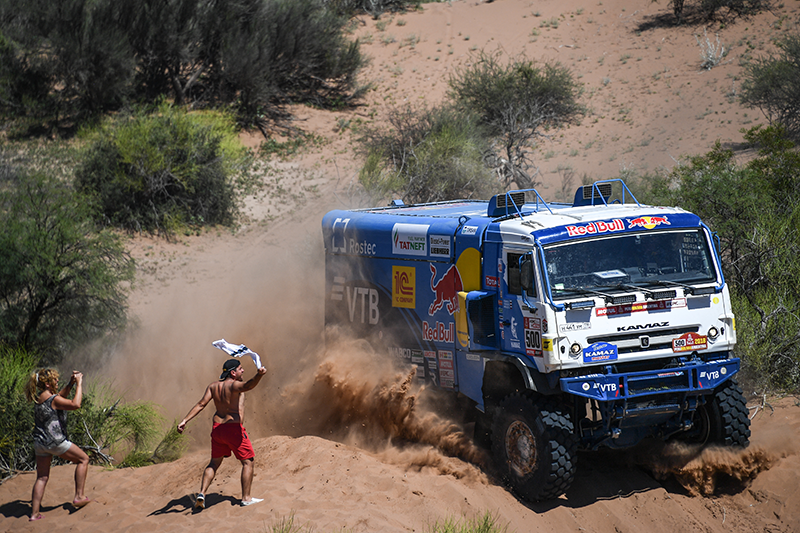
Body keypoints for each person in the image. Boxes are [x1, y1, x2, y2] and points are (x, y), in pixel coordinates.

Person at [177, 358, 267, 508]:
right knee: (248, 462)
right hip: (233, 429)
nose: (243, 370)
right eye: (240, 369)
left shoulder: (213, 387)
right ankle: (246, 498)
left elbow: (201, 404)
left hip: (218, 429)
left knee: (214, 463)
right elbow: (249, 385)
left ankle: (202, 493)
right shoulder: (234, 386)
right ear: (233, 372)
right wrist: (259, 375)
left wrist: (184, 420)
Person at [24, 368, 91, 521]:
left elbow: (60, 396)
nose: (57, 381)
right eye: (54, 380)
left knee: (41, 477)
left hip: (40, 442)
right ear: (47, 384)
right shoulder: (53, 399)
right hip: (55, 442)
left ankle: (34, 514)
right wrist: (79, 384)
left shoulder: (40, 397)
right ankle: (79, 496)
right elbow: (76, 404)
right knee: (83, 459)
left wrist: (70, 383)